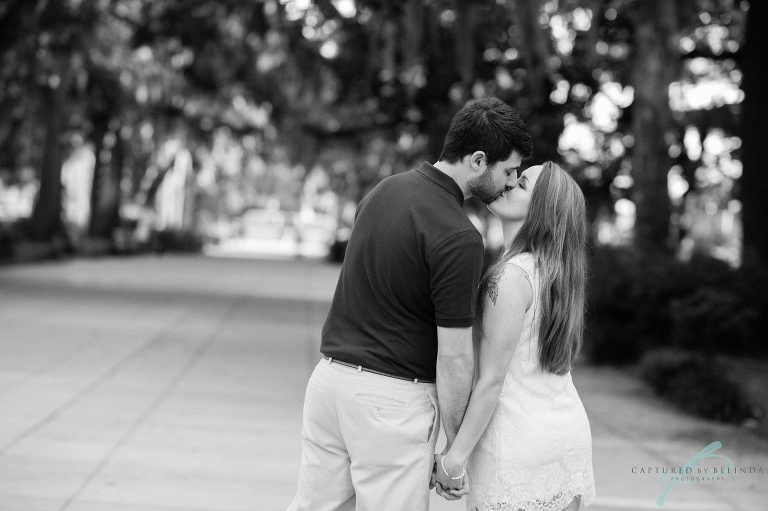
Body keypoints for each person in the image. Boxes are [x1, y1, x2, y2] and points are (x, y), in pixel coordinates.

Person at [287, 97, 533, 511]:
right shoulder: (458, 236)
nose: (511, 183)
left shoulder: (385, 190)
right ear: (477, 160)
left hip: (328, 385)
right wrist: (456, 449)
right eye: (508, 170)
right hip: (388, 403)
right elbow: (455, 358)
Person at [434, 162, 596, 510]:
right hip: (565, 438)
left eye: (521, 184)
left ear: (541, 211)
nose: (507, 184)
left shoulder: (509, 277)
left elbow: (491, 380)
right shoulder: (553, 276)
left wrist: (454, 458)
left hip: (518, 446)